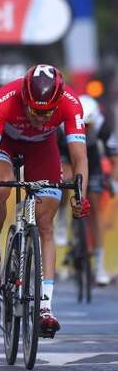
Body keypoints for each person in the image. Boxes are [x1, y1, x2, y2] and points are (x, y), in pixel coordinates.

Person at [0, 64, 89, 338]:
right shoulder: (4, 99)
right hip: (6, 146)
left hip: (43, 150)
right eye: (34, 111)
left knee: (46, 222)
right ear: (24, 98)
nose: (40, 117)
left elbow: (80, 158)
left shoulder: (71, 103)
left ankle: (45, 307)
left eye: (47, 112)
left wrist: (79, 196)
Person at [56, 94, 118, 285]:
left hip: (91, 159)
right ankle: (62, 216)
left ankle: (99, 267)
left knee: (96, 208)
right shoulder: (60, 128)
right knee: (65, 179)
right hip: (66, 154)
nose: (84, 130)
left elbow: (114, 159)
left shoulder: (103, 127)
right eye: (81, 126)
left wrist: (114, 182)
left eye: (87, 127)